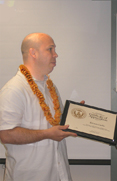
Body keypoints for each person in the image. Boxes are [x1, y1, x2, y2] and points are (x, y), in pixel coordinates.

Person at [0, 33, 83, 181]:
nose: (55, 55)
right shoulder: (14, 89)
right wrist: (47, 134)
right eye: (50, 49)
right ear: (33, 53)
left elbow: (57, 124)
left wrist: (77, 116)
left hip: (59, 174)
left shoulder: (50, 87)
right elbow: (6, 134)